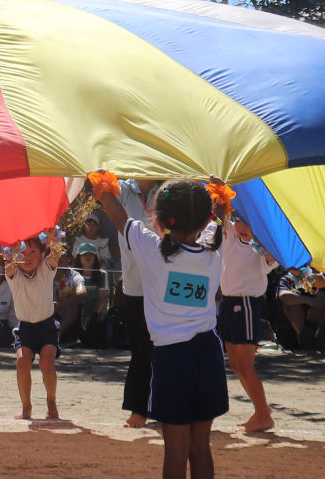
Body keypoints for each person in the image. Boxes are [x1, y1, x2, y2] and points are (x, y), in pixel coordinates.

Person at [94, 177, 226, 479]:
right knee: (201, 448)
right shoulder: (213, 248)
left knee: (176, 450)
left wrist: (99, 178)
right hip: (208, 355)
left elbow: (117, 214)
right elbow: (217, 220)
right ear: (204, 220)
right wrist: (219, 195)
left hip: (172, 358)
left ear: (158, 217)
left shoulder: (152, 249)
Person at [215, 213, 274, 433]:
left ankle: (263, 414)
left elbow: (272, 258)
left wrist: (260, 237)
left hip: (246, 304)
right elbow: (220, 214)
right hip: (227, 303)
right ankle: (261, 411)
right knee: (236, 364)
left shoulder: (263, 246)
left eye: (249, 223)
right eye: (239, 220)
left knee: (245, 364)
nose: (242, 227)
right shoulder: (230, 235)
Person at [4, 233, 62, 420]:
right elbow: (9, 266)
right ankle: (26, 407)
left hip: (47, 328)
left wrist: (52, 238)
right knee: (22, 361)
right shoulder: (14, 274)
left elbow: (55, 255)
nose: (27, 257)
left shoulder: (46, 269)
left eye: (33, 252)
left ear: (42, 254)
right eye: (22, 252)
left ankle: (51, 401)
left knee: (47, 363)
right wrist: (11, 252)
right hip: (25, 329)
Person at [117, 178, 159, 428]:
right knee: (141, 351)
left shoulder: (168, 188)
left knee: (169, 349)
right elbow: (102, 198)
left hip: (164, 284)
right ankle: (139, 409)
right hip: (135, 285)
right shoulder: (122, 189)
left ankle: (166, 409)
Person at [70, 247, 114, 347]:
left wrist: (92, 315)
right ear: (79, 258)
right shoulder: (73, 274)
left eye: (91, 254)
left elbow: (102, 299)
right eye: (84, 254)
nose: (88, 257)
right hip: (78, 315)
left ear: (95, 258)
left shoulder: (103, 274)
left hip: (96, 316)